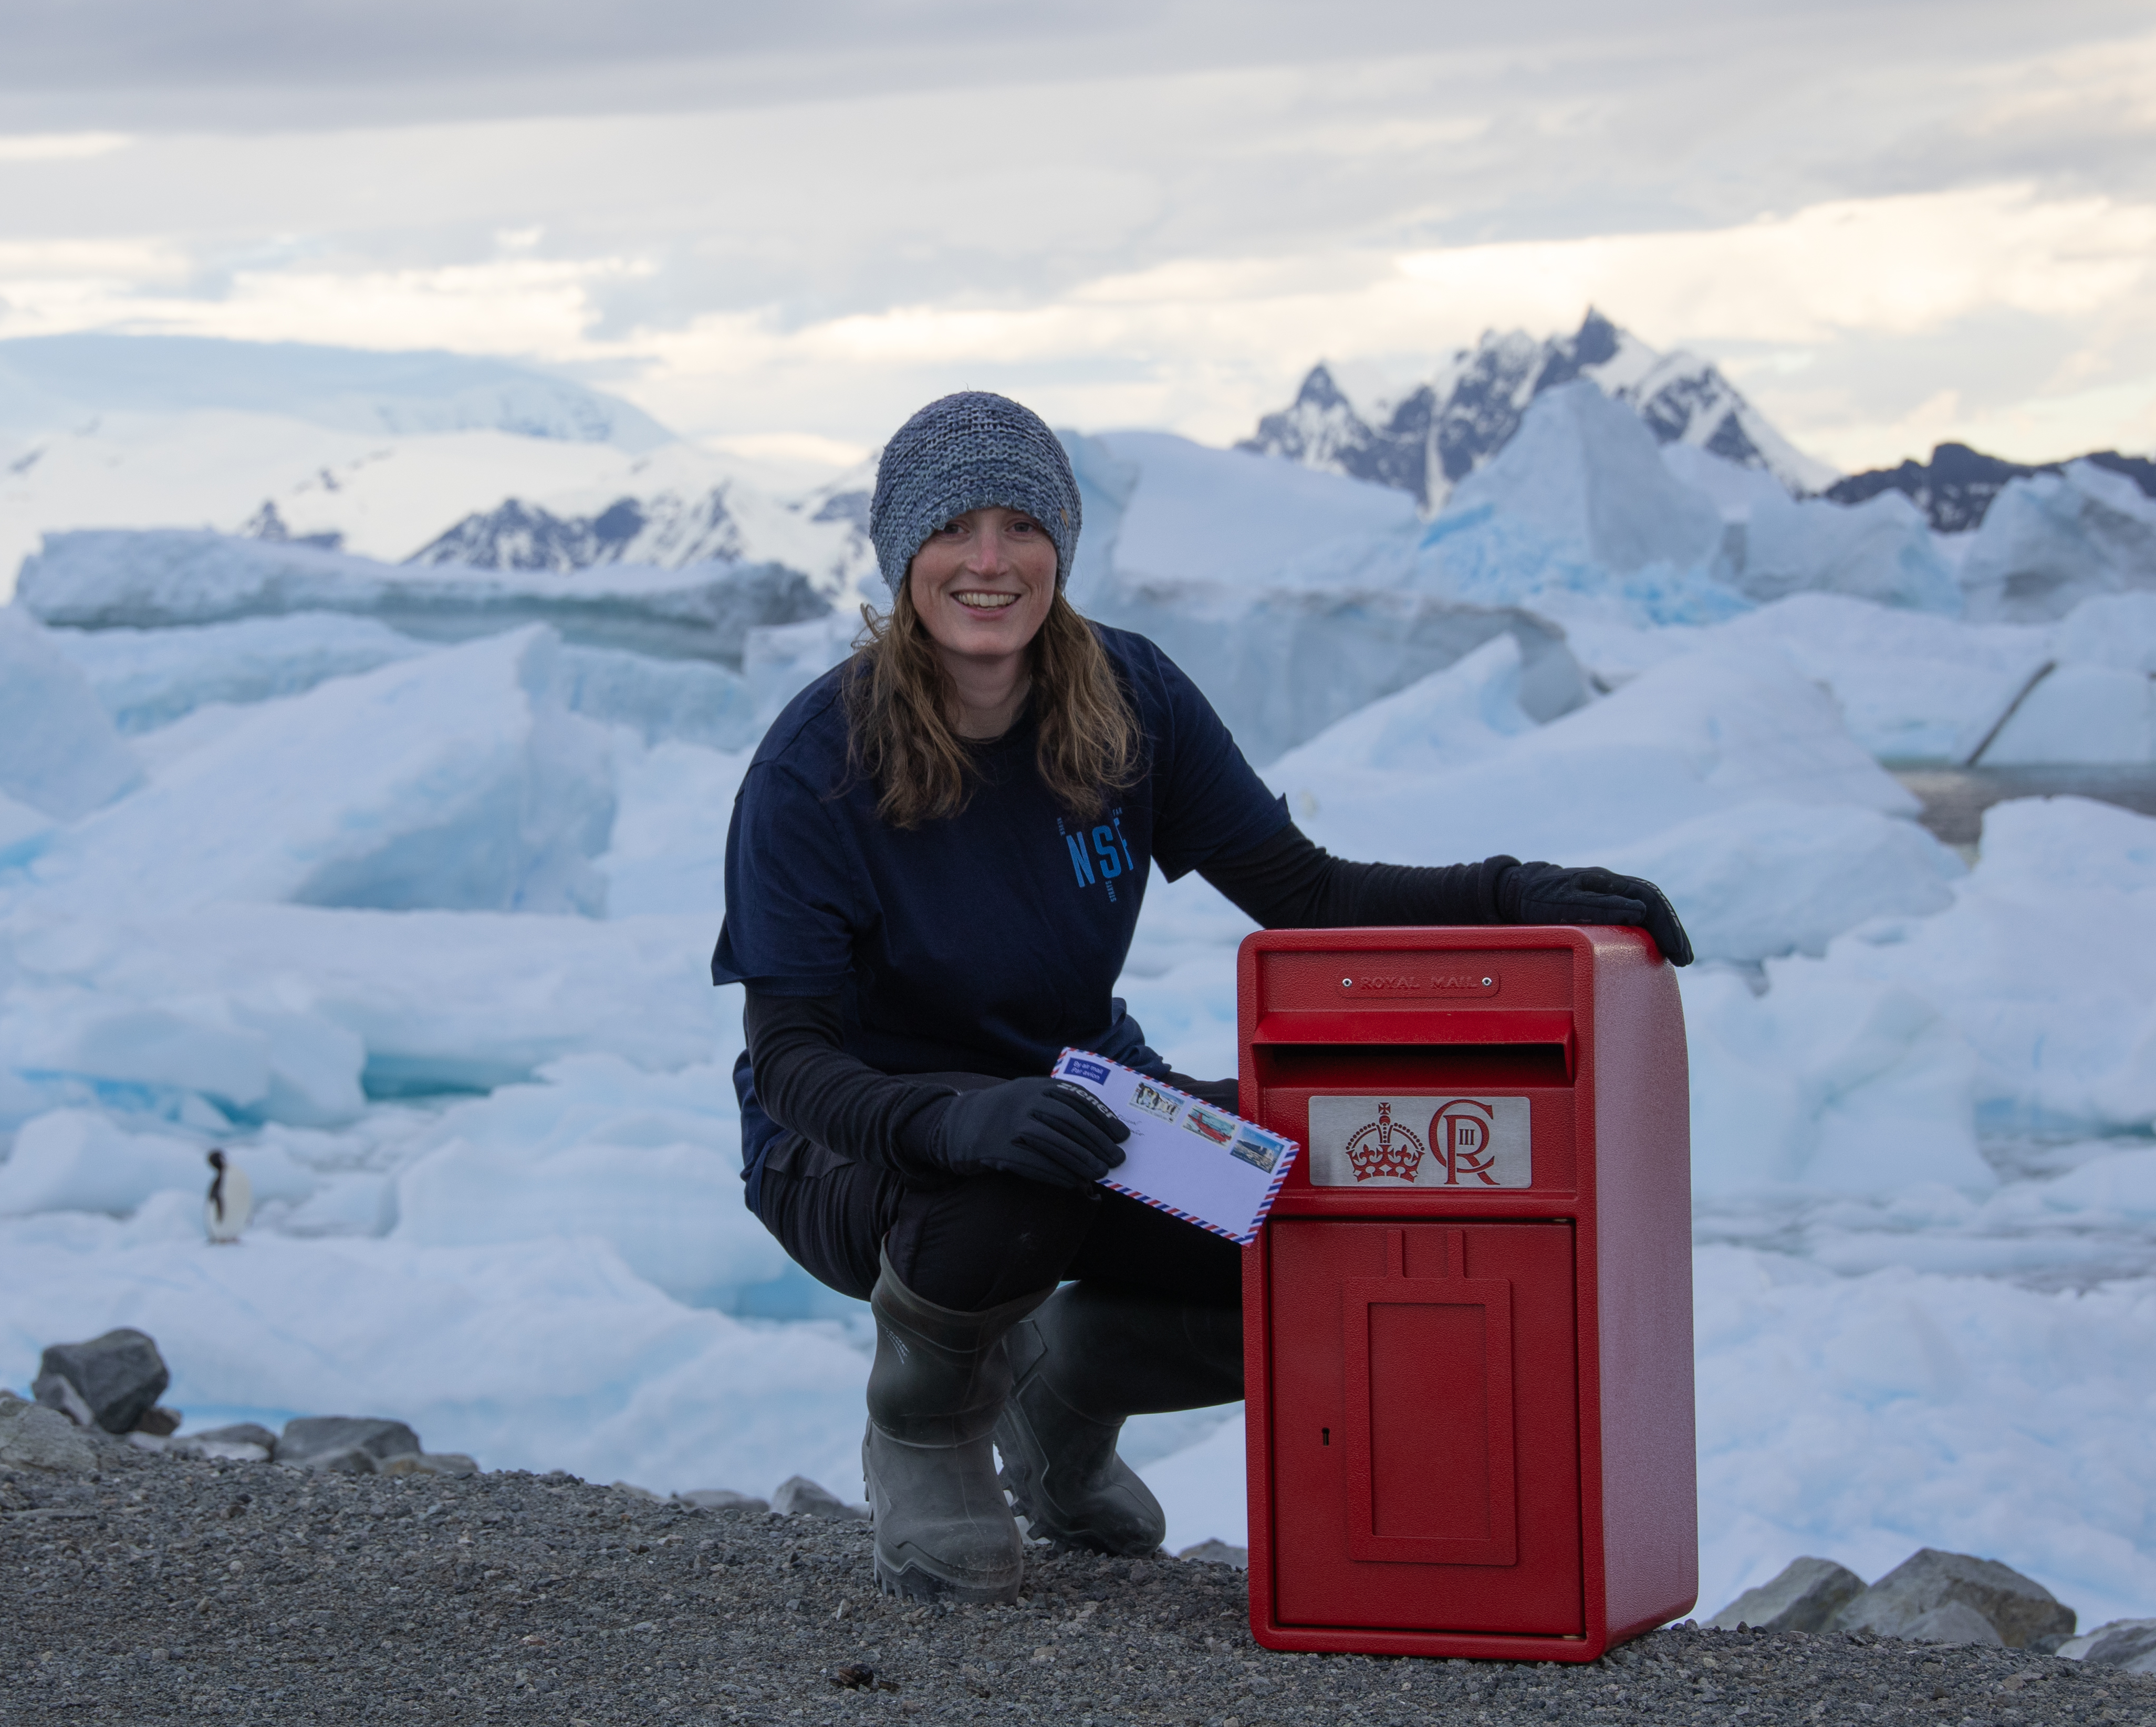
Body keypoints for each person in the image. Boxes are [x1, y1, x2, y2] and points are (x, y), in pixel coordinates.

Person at [712, 390, 1693, 1606]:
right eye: (952, 527)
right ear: (899, 551)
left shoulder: (1128, 696)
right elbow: (796, 1063)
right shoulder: (818, 766)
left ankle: (1064, 1389)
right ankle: (926, 1424)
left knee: (1329, 1197)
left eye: (1020, 525)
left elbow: (1307, 891)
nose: (988, 560)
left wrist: (1514, 893)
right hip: (852, 1155)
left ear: (1061, 545)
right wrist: (961, 1119)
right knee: (1011, 1183)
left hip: (1076, 1112)